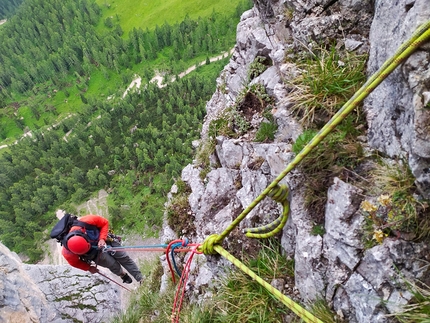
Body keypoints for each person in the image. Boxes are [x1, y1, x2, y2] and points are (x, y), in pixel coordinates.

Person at [61, 213, 143, 284]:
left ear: (84, 235)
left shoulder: (86, 221)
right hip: (94, 254)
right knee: (113, 265)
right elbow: (75, 263)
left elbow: (104, 223)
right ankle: (122, 274)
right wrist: (88, 268)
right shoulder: (67, 253)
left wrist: (102, 238)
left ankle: (140, 278)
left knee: (124, 257)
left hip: (106, 241)